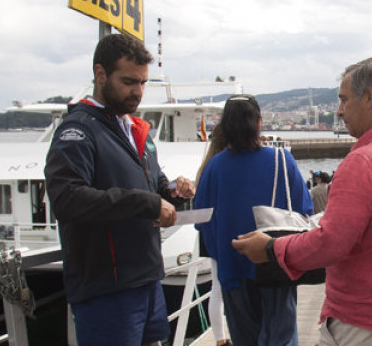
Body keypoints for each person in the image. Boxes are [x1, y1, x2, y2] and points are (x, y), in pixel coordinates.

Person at [232, 57, 372, 346]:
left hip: (363, 322)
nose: (340, 111)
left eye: (344, 100)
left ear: (369, 97)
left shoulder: (363, 161)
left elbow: (331, 242)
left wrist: (270, 248)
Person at [44, 33, 196, 346]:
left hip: (147, 278)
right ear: (100, 74)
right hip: (106, 288)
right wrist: (146, 203)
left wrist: (172, 191)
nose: (137, 92)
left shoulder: (134, 129)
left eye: (142, 83)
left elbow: (152, 184)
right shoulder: (78, 130)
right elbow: (67, 199)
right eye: (129, 81)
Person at [193, 94, 313, 346]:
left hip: (233, 269)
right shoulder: (282, 160)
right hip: (276, 264)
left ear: (224, 126)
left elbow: (203, 221)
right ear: (258, 123)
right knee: (282, 338)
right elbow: (305, 211)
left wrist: (223, 254)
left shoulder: (214, 167)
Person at [195, 124, 232, 346]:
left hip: (209, 232)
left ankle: (219, 338)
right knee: (223, 287)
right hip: (224, 230)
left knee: (216, 287)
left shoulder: (205, 168)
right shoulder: (223, 166)